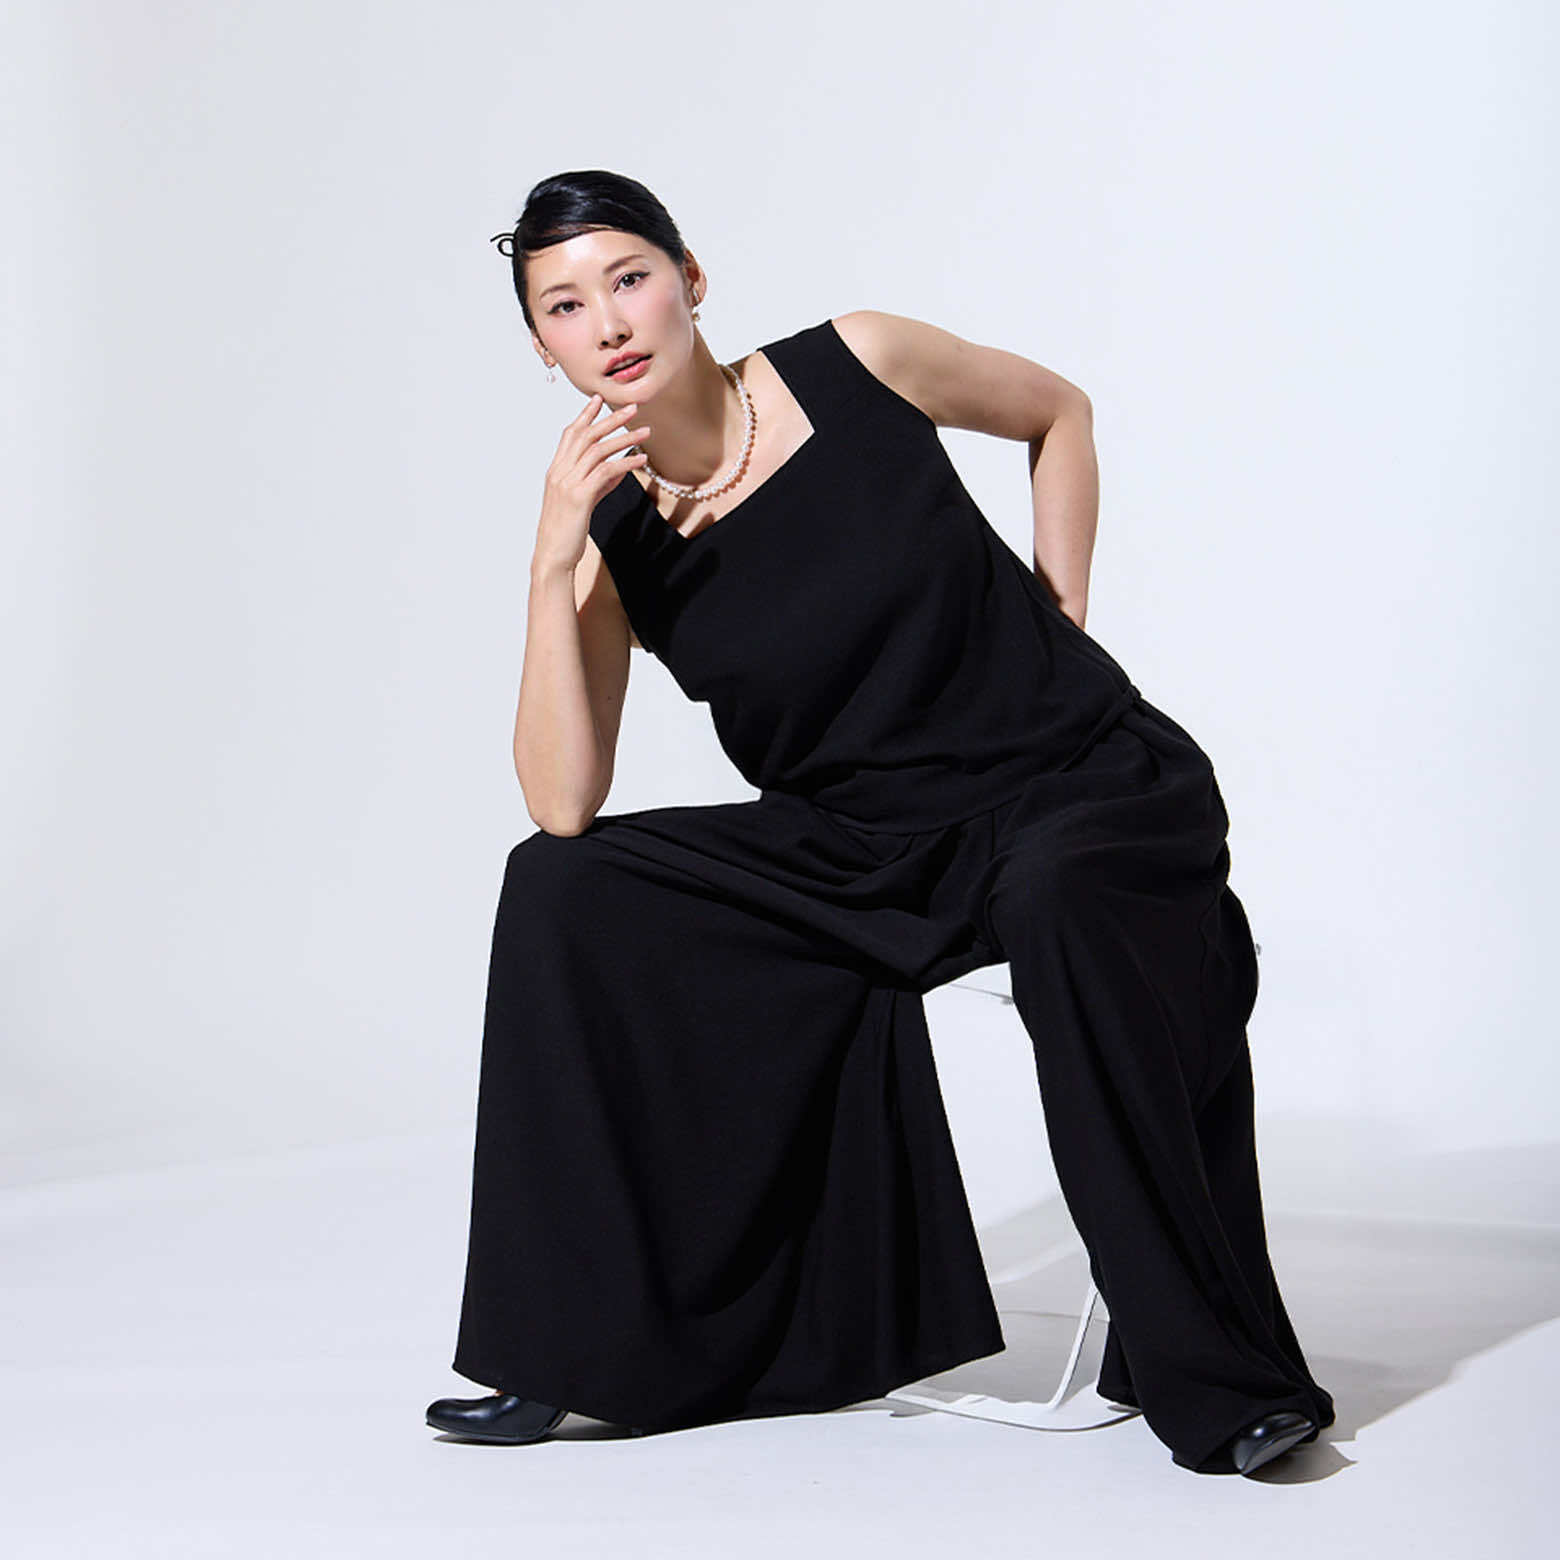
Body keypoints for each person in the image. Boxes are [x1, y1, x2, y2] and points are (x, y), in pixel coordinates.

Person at [424, 168, 1336, 1477]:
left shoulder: (857, 361)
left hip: (1075, 781)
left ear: (690, 280)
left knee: (1062, 903)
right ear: (542, 347)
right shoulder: (616, 541)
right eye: (566, 307)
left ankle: (1222, 1380)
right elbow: (563, 803)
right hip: (869, 845)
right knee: (567, 889)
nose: (608, 322)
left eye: (629, 279)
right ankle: (577, 1348)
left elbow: (1058, 412)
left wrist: (1060, 618)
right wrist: (550, 554)